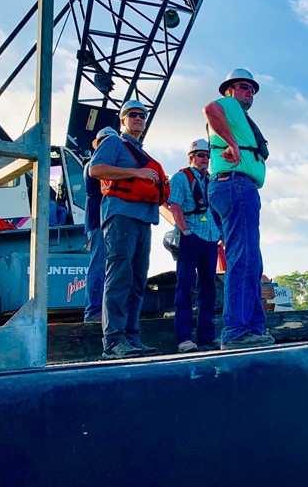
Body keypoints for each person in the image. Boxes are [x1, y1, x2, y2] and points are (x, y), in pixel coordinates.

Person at [88, 100, 171, 359]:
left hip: (143, 220)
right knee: (119, 276)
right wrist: (137, 173)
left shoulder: (142, 153)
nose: (138, 118)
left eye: (142, 116)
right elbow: (96, 169)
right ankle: (113, 342)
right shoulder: (114, 143)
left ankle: (132, 338)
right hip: (120, 216)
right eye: (132, 115)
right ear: (122, 120)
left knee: (137, 281)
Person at [203, 68, 275, 350]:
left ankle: (253, 327)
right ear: (229, 90)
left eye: (252, 90)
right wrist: (233, 143)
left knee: (251, 260)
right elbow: (209, 108)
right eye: (244, 87)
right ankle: (236, 330)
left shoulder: (238, 115)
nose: (249, 93)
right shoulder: (228, 105)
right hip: (235, 185)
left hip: (237, 187)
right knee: (243, 259)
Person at [167, 139, 222, 353]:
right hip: (191, 235)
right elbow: (175, 205)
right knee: (185, 286)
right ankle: (184, 338)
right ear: (191, 157)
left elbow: (215, 209)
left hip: (209, 237)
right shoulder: (182, 177)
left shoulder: (212, 180)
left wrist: (220, 234)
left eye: (207, 156)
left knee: (209, 287)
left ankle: (207, 337)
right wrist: (185, 231)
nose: (205, 159)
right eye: (200, 155)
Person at [82, 126, 117, 324]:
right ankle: (94, 311)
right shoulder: (93, 165)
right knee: (98, 265)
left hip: (104, 221)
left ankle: (100, 310)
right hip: (99, 222)